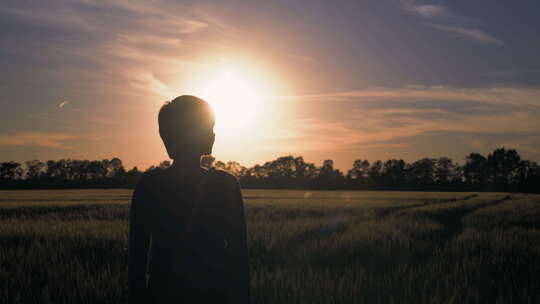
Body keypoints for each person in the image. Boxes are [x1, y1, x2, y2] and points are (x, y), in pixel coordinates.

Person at [128, 95, 251, 304]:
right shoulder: (225, 185)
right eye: (209, 127)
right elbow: (239, 256)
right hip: (216, 294)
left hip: (163, 293)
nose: (214, 134)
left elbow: (137, 257)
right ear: (192, 132)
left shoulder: (149, 185)